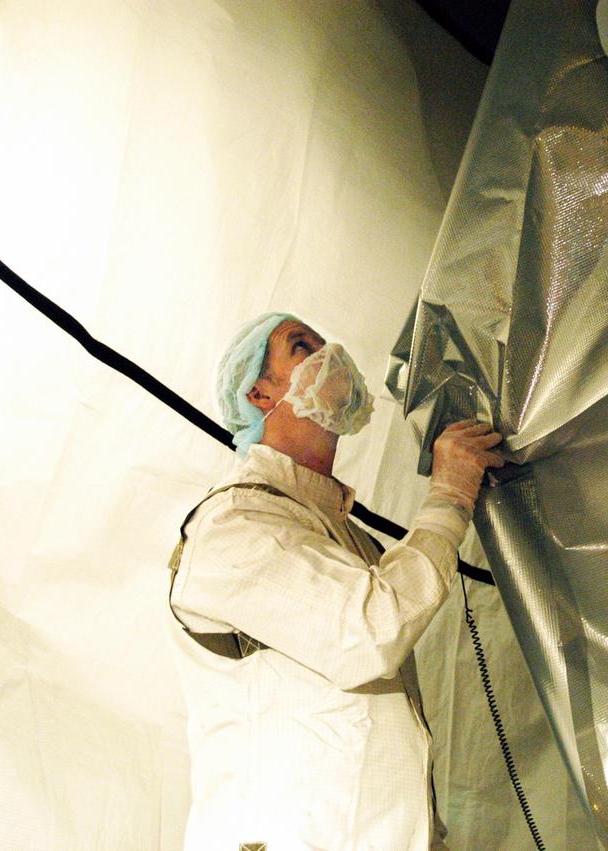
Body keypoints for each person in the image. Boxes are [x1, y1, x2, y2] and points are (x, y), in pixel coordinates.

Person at [166, 311, 504, 850]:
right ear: (259, 393)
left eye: (325, 342)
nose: (330, 355)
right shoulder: (235, 526)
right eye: (301, 346)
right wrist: (449, 496)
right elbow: (373, 632)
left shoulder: (347, 540)